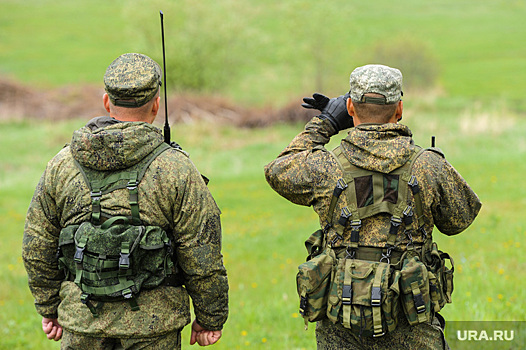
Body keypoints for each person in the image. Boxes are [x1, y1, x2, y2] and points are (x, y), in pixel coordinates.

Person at [264, 64, 481, 349]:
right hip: (412, 321)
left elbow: (277, 170)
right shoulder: (428, 165)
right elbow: (459, 220)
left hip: (340, 323)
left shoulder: (324, 166)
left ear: (351, 108)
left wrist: (326, 121)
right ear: (399, 108)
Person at [22, 53, 228, 349]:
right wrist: (211, 317)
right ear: (157, 105)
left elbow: (37, 243)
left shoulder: (61, 165)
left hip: (82, 323)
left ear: (107, 102)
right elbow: (202, 252)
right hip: (154, 327)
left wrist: (49, 307)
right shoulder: (177, 168)